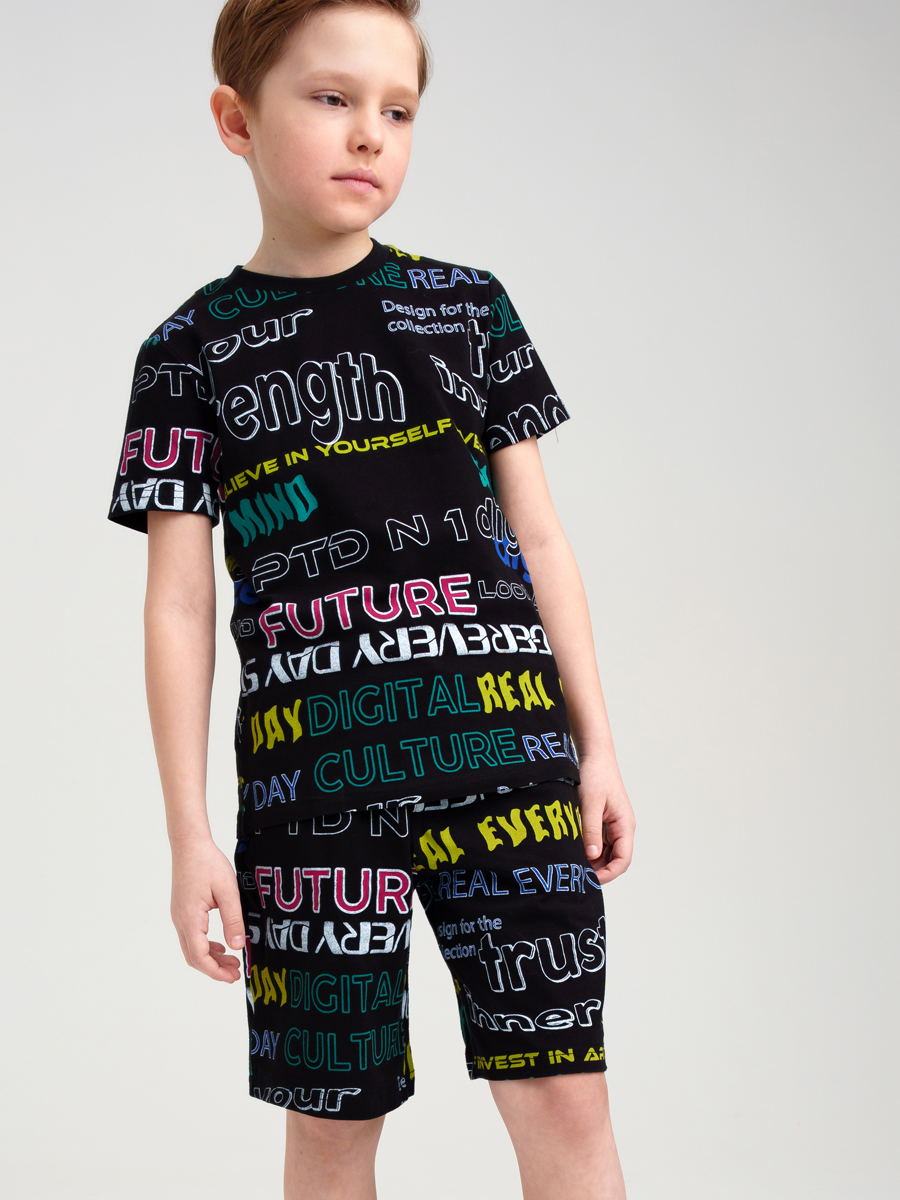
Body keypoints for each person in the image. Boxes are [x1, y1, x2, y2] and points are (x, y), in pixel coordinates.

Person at [108, 1, 636, 1195]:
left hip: (511, 768)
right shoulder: (186, 354)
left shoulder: (469, 309)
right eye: (332, 99)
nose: (370, 135)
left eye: (398, 111)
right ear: (236, 120)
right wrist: (190, 833)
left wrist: (597, 746)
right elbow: (177, 605)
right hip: (311, 803)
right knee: (331, 1126)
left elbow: (541, 539)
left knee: (566, 1097)